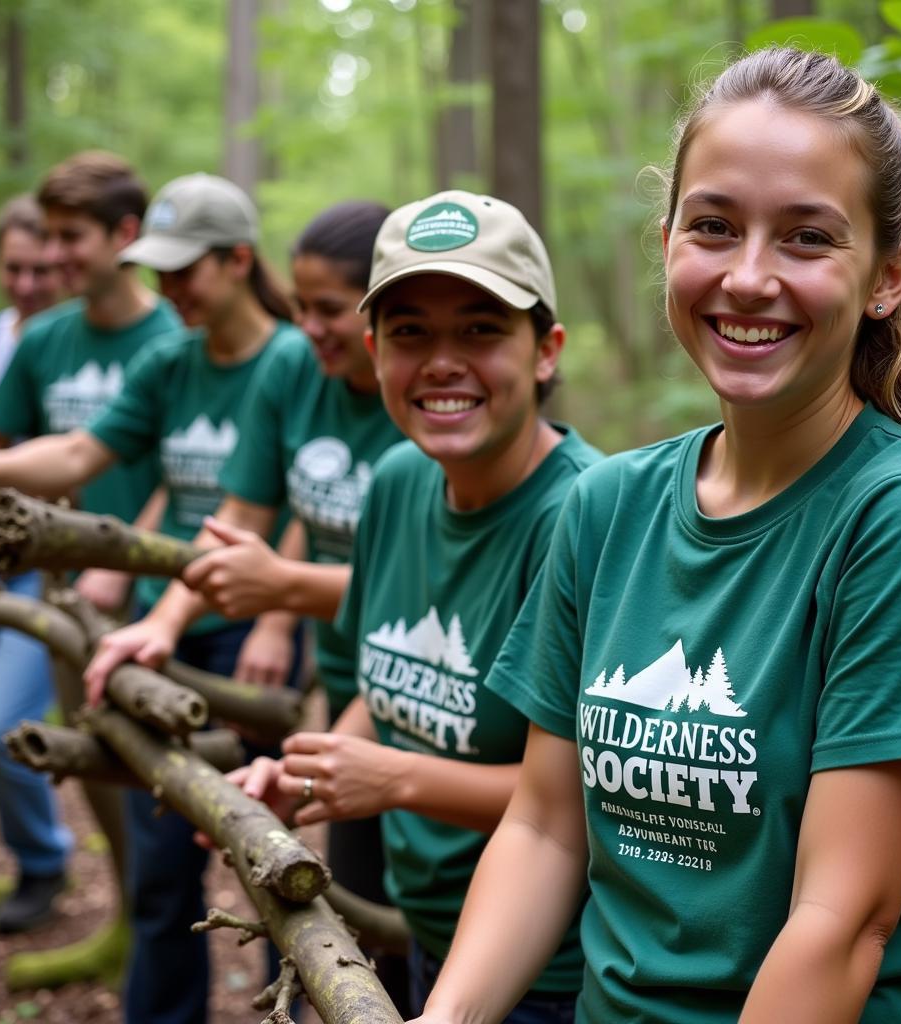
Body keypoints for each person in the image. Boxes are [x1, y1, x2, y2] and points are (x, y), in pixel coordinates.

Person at [411, 48, 901, 1024]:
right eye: (714, 226)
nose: (747, 276)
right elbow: (548, 826)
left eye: (807, 237)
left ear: (886, 277)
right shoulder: (606, 506)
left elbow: (843, 920)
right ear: (667, 243)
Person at [216, 190, 601, 1020]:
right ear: (375, 352)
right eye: (410, 334)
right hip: (430, 929)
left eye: (481, 329)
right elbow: (384, 689)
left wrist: (391, 779)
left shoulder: (586, 517)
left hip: (557, 968)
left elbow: (583, 796)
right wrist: (304, 771)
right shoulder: (395, 484)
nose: (441, 361)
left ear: (545, 352)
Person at [0, 171, 306, 1024]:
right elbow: (82, 455)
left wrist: (275, 619)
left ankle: (298, 1000)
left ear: (238, 261)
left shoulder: (292, 361)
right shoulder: (173, 359)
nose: (168, 290)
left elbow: (304, 503)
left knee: (275, 843)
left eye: (185, 271)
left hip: (262, 637)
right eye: (157, 271)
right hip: (173, 621)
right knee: (164, 855)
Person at [84, 199, 409, 1007]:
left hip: (431, 692)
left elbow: (432, 586)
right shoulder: (294, 367)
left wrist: (284, 593)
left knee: (413, 925)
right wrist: (158, 624)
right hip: (353, 682)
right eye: (299, 308)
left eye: (329, 310)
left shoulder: (427, 400)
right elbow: (237, 522)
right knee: (352, 909)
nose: (310, 328)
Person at [0, 155, 178, 936]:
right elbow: (2, 443)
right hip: (51, 582)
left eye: (72, 238)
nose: (57, 255)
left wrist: (122, 559)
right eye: (49, 237)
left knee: (143, 766)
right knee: (71, 748)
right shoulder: (46, 339)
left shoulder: (169, 336)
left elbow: (183, 470)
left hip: (150, 590)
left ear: (123, 235)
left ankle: (145, 921)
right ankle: (127, 919)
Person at [0, 194, 66, 934]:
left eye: (42, 268)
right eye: (14, 267)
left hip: (44, 567)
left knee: (0, 724)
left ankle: (44, 860)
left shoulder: (76, 349)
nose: (28, 282)